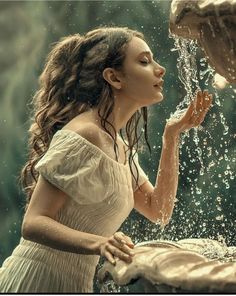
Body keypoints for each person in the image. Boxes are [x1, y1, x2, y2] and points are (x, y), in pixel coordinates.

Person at [0, 26, 212, 293]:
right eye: (144, 61)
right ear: (114, 77)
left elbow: (159, 210)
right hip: (35, 281)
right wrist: (101, 243)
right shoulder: (85, 133)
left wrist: (172, 136)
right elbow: (33, 223)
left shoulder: (119, 146)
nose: (160, 69)